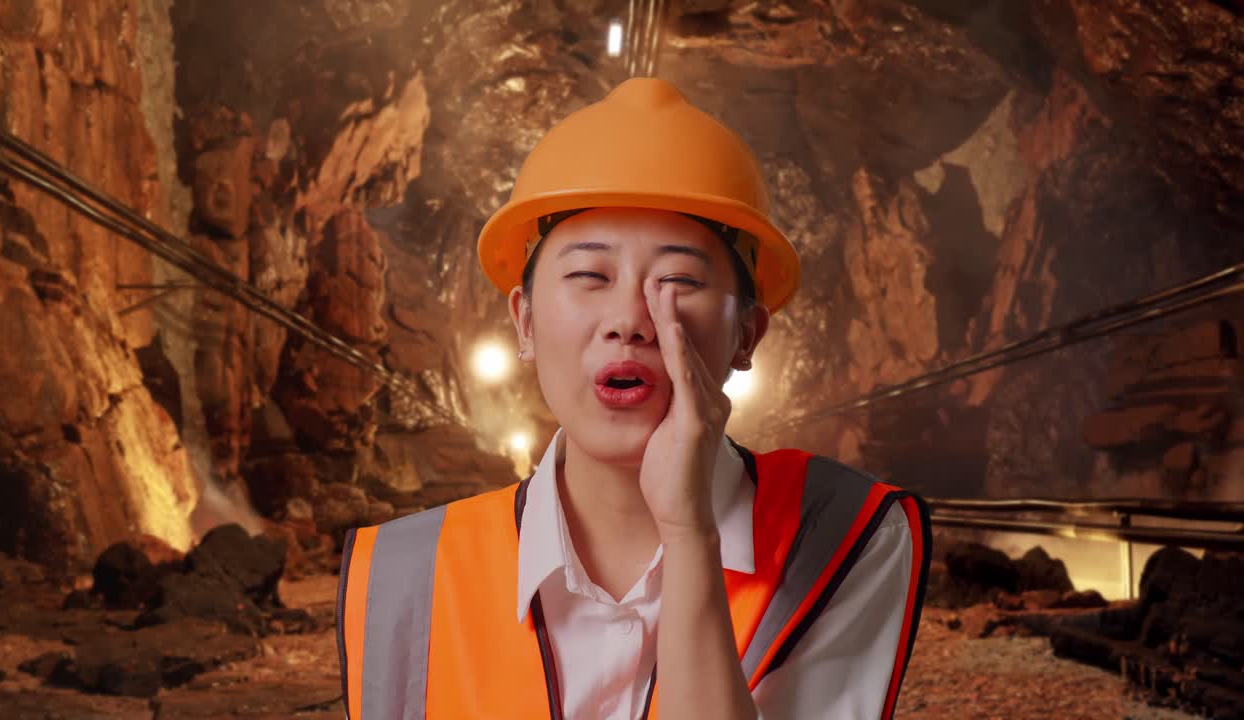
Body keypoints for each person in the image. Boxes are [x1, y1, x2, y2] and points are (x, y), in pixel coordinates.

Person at [337, 77, 931, 720]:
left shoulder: (845, 534)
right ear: (526, 323)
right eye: (589, 276)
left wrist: (689, 535)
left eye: (677, 280)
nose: (630, 319)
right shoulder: (403, 575)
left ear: (745, 335)